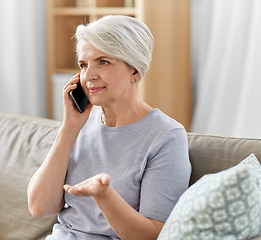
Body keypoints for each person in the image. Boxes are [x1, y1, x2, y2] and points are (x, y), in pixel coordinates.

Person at [27, 15, 191, 240]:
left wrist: (103, 196)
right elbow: (39, 207)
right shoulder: (78, 126)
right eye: (83, 65)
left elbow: (153, 235)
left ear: (135, 70)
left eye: (103, 62)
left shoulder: (166, 136)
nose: (88, 76)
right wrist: (68, 129)